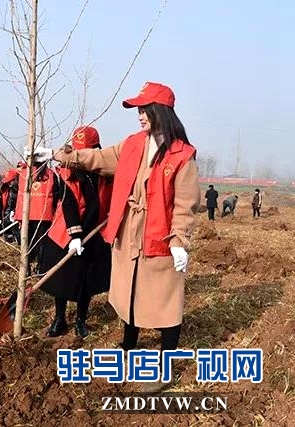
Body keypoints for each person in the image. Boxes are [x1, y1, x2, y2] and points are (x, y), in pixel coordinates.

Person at [54, 81, 200, 393]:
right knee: (129, 293)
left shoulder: (181, 155)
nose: (140, 115)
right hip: (128, 231)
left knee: (165, 301)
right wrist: (60, 155)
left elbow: (186, 204)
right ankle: (127, 349)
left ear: (160, 111)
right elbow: (97, 158)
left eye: (144, 109)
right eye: (138, 110)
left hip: (159, 234)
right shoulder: (133, 144)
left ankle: (165, 365)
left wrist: (179, 242)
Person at [41, 125, 112, 338]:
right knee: (62, 278)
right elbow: (68, 203)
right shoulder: (66, 171)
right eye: (77, 150)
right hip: (67, 231)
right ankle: (59, 318)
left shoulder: (104, 171)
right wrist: (75, 236)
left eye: (85, 151)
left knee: (86, 280)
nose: (80, 156)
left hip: (95, 231)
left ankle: (81, 319)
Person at [15, 146, 59, 273]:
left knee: (26, 242)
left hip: (25, 213)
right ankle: (40, 267)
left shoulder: (23, 174)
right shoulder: (50, 174)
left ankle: (25, 267)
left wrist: (15, 211)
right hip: (44, 214)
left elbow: (16, 192)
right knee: (42, 243)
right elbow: (56, 194)